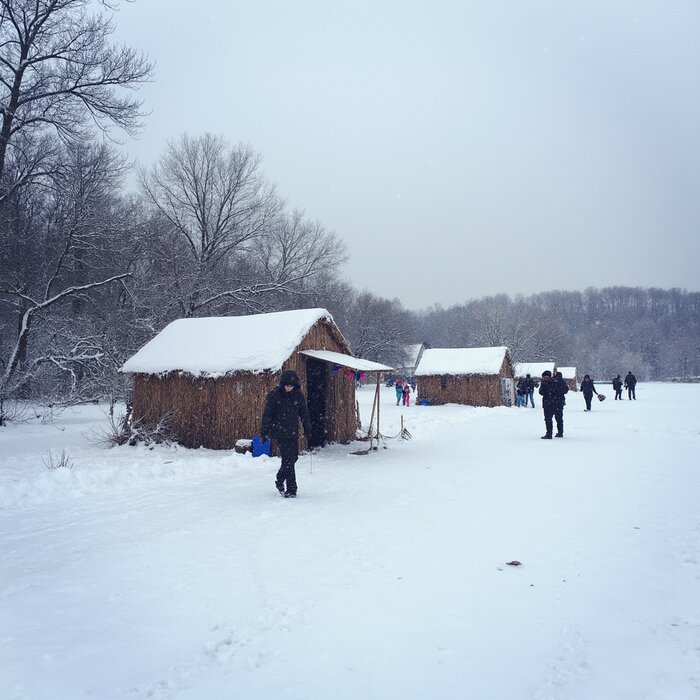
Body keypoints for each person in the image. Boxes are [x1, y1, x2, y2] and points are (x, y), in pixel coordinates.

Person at [260, 369, 312, 498]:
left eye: (291, 385)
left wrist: (308, 429)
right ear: (283, 384)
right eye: (287, 385)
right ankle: (292, 489)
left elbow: (304, 414)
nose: (289, 387)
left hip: (292, 432)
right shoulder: (275, 395)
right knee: (288, 460)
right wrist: (264, 432)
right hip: (279, 432)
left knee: (293, 458)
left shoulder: (298, 396)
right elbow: (267, 415)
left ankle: (279, 478)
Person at [539, 369, 569, 439]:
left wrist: (552, 394)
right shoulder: (546, 382)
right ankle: (555, 433)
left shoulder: (554, 382)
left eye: (546, 377)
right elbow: (541, 392)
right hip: (552, 403)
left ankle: (555, 433)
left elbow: (562, 390)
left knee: (554, 418)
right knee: (552, 419)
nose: (545, 378)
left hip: (553, 403)